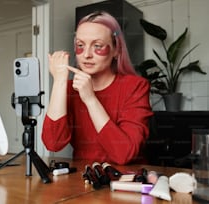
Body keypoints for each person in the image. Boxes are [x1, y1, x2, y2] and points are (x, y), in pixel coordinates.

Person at [41, 11, 153, 165]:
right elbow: (53, 143)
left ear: (116, 50)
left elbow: (123, 154)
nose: (86, 54)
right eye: (80, 45)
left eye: (98, 46)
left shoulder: (135, 87)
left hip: (125, 180)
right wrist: (59, 81)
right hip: (83, 180)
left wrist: (90, 99)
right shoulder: (69, 89)